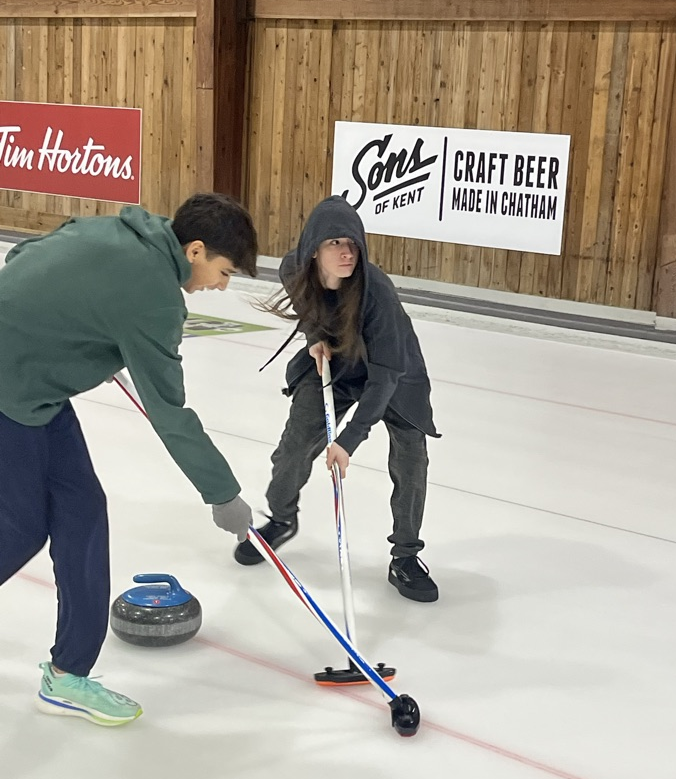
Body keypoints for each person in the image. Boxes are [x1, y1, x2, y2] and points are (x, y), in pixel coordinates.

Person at [0, 193, 257, 726]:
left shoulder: (117, 232)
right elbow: (170, 414)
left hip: (37, 390)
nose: (222, 285)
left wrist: (77, 325)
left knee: (83, 512)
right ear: (195, 249)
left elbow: (22, 260)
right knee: (23, 527)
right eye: (223, 271)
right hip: (10, 393)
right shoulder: (155, 298)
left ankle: (69, 675)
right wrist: (223, 495)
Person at [235, 195, 440, 603]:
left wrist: (348, 441)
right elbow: (309, 307)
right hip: (340, 362)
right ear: (314, 249)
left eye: (352, 244)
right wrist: (315, 338)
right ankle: (281, 519)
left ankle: (405, 556)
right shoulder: (293, 268)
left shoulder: (376, 292)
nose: (346, 252)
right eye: (334, 244)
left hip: (395, 374)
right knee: (294, 446)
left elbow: (385, 377)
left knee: (411, 459)